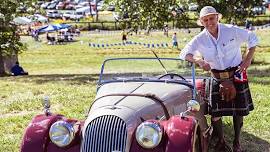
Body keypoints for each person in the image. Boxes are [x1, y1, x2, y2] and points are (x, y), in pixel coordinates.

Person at [179, 6, 258, 152]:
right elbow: (184, 54)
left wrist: (247, 60)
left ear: (217, 17)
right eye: (206, 20)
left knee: (239, 111)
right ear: (202, 22)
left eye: (212, 18)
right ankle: (221, 141)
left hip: (236, 75)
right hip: (216, 78)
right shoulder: (200, 39)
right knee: (216, 113)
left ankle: (237, 142)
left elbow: (252, 38)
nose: (210, 22)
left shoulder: (231, 30)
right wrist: (199, 61)